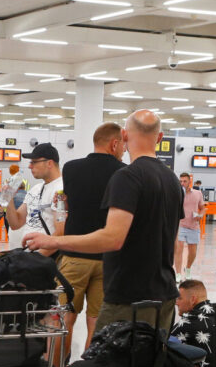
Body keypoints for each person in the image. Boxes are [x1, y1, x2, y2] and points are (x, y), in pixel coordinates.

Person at [25, 110, 183, 332]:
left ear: (125, 136)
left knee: (107, 362)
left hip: (129, 297)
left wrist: (54, 242)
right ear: (160, 138)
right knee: (150, 363)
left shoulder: (128, 177)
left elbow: (113, 238)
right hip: (164, 296)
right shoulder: (172, 180)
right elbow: (174, 242)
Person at [58, 123, 125, 351]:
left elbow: (68, 203)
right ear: (114, 143)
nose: (124, 150)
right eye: (123, 145)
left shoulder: (70, 168)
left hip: (73, 255)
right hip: (108, 258)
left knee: (65, 319)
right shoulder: (124, 173)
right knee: (98, 322)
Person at [6, 143, 64, 252]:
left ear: (49, 163)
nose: (29, 166)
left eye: (34, 162)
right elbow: (16, 223)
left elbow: (61, 232)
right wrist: (8, 200)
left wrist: (38, 258)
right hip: (28, 255)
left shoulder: (61, 191)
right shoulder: (35, 189)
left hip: (43, 260)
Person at [175, 172, 205, 281]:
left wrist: (200, 215)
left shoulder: (197, 194)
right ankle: (178, 274)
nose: (182, 183)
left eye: (184, 181)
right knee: (179, 249)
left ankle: (187, 269)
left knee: (193, 252)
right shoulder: (177, 193)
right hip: (180, 225)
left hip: (193, 226)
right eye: (181, 181)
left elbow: (202, 207)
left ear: (189, 182)